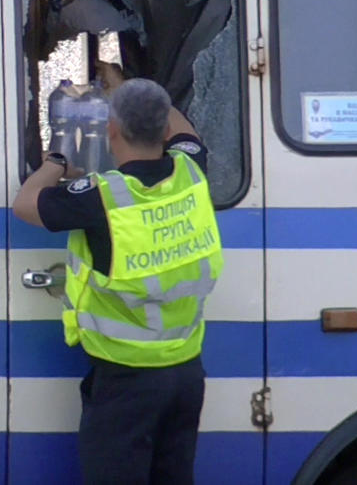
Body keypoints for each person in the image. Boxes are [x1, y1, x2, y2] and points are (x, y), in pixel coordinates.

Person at [12, 63, 223, 485]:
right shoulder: (190, 170)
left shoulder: (99, 197)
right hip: (185, 374)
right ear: (164, 131)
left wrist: (56, 161)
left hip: (126, 381)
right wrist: (127, 86)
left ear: (110, 131)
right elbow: (186, 134)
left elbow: (26, 203)